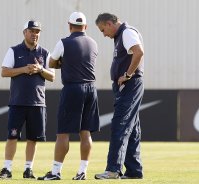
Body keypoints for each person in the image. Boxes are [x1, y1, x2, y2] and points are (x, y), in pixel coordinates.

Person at [38, 12, 100, 180]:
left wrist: (64, 63)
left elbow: (50, 62)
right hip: (91, 89)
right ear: (85, 27)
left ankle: (56, 172)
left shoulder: (64, 42)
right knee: (85, 133)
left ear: (69, 25)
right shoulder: (94, 43)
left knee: (63, 133)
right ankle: (82, 172)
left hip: (73, 89)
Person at [0, 20, 55, 179]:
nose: (34, 34)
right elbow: (4, 72)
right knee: (12, 136)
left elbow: (52, 76)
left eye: (37, 31)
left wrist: (40, 69)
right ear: (24, 32)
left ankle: (28, 169)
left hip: (37, 102)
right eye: (31, 31)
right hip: (18, 101)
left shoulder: (44, 53)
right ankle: (7, 169)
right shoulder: (14, 51)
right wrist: (24, 69)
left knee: (33, 139)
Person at [94, 13, 144, 179]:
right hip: (127, 85)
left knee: (119, 125)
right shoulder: (122, 35)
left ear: (109, 23)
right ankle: (134, 171)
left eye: (103, 30)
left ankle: (113, 170)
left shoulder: (127, 32)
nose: (104, 34)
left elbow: (138, 52)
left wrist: (128, 75)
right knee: (132, 129)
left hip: (130, 85)